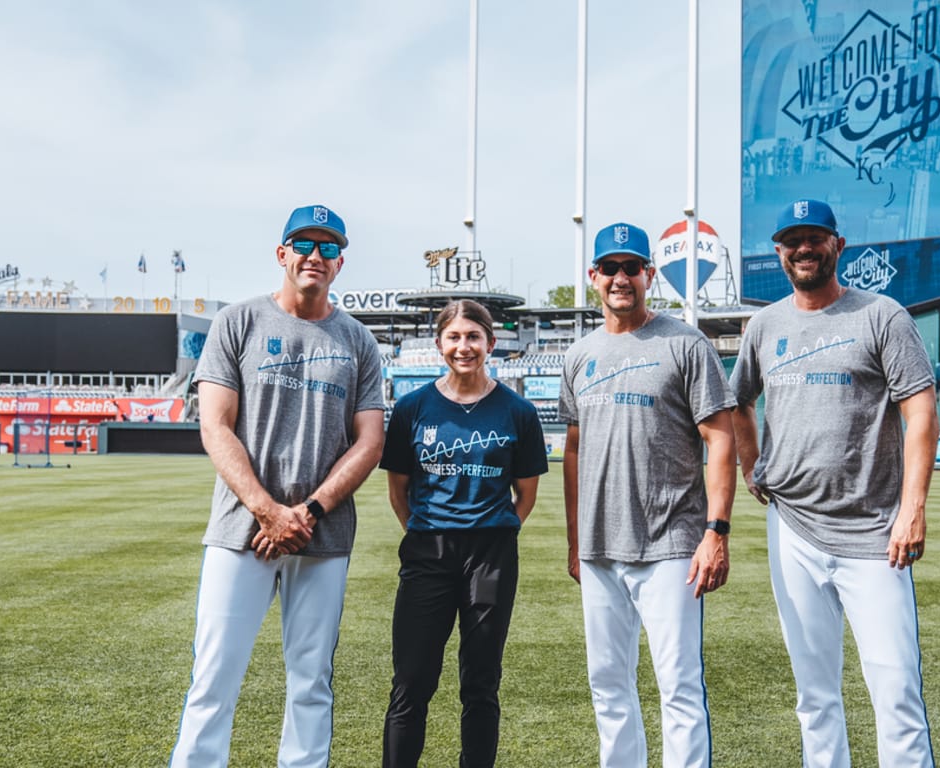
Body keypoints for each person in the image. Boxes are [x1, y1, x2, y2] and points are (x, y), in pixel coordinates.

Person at [169, 204, 386, 768]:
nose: (316, 256)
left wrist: (306, 510)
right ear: (282, 253)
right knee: (213, 676)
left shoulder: (358, 340)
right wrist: (266, 510)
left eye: (329, 248)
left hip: (323, 532)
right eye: (305, 244)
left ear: (340, 262)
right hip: (241, 527)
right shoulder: (238, 322)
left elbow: (369, 442)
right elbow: (214, 425)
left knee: (311, 682)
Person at [730, 198, 939, 768]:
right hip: (792, 527)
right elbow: (738, 401)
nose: (803, 248)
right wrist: (753, 464)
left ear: (837, 245)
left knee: (896, 690)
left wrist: (912, 508)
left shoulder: (881, 315)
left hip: (874, 530)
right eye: (791, 240)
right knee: (814, 694)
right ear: (779, 251)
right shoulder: (765, 325)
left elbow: (920, 410)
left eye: (814, 237)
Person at [560, 222, 737, 768]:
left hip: (672, 542)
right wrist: (574, 541)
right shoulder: (579, 353)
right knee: (608, 684)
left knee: (679, 685)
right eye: (609, 268)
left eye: (630, 267)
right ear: (594, 277)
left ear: (649, 275)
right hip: (599, 547)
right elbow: (572, 448)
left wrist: (716, 531)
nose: (620, 278)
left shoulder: (685, 342)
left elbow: (720, 436)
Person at [379, 299, 548, 767]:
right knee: (411, 682)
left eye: (473, 336)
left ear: (490, 343)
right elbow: (399, 491)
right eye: (454, 337)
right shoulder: (414, 409)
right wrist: (428, 531)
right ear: (439, 344)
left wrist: (489, 527)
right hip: (427, 552)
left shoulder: (517, 412)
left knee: (480, 682)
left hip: (491, 554)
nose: (464, 346)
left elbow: (525, 494)